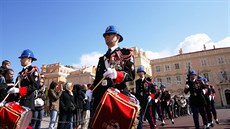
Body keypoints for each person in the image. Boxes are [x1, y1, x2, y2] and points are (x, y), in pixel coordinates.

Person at [92, 25, 135, 110]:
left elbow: (131, 75)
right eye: (105, 35)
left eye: (110, 34)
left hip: (118, 96)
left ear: (117, 37)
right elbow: (97, 80)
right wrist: (91, 90)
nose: (106, 36)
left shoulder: (125, 53)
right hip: (101, 98)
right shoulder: (102, 59)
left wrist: (117, 75)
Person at [6, 49, 40, 128]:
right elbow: (17, 87)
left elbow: (35, 85)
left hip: (27, 103)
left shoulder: (33, 71)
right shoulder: (20, 73)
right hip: (19, 102)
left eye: (22, 58)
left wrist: (19, 90)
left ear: (29, 59)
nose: (20, 60)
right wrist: (7, 101)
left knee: (25, 126)